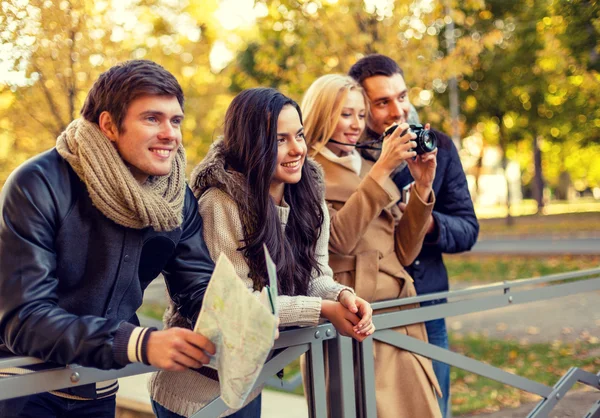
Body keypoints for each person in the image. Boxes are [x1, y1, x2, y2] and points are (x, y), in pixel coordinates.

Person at [0, 60, 217, 418]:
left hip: (98, 388)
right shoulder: (37, 183)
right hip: (22, 386)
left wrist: (247, 318)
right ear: (109, 125)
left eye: (175, 120)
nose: (170, 134)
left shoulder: (176, 197)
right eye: (152, 119)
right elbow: (24, 318)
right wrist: (137, 342)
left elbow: (199, 288)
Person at [149, 87, 374, 418]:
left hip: (248, 381)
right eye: (279, 140)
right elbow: (239, 304)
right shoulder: (220, 204)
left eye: (298, 135)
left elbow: (316, 274)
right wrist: (321, 309)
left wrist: (340, 296)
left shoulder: (310, 199)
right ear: (250, 143)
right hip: (195, 389)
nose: (297, 148)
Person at [301, 73, 441, 418]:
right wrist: (382, 171)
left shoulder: (366, 165)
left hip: (401, 314)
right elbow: (338, 240)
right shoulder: (306, 171)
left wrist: (423, 187)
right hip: (355, 317)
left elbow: (405, 253)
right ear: (321, 114)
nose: (355, 125)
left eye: (361, 115)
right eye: (345, 114)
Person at [349, 54, 480, 417]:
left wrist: (426, 218)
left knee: (433, 409)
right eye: (382, 102)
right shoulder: (344, 153)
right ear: (360, 104)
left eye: (402, 96)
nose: (398, 110)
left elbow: (468, 229)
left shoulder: (438, 146)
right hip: (366, 312)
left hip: (425, 306)